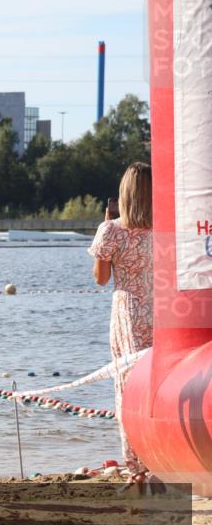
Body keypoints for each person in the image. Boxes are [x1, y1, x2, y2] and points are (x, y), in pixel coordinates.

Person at [88, 162, 153, 483]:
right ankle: (163, 458)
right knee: (159, 387)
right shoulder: (165, 226)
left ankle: (136, 465)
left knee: (128, 390)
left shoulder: (111, 229)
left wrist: (105, 225)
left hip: (128, 313)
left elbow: (101, 279)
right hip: (163, 311)